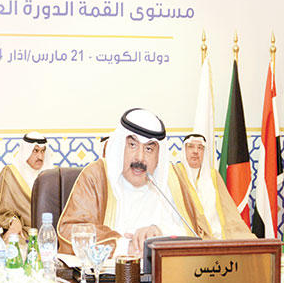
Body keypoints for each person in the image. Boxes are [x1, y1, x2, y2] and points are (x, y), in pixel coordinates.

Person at [58, 108, 215, 258]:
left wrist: (160, 235)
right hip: (108, 275)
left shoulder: (172, 180)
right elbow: (69, 231)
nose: (140, 158)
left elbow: (196, 235)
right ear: (120, 147)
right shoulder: (96, 176)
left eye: (149, 149)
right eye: (132, 145)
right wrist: (125, 246)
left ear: (159, 155)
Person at [173, 134, 252, 239]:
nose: (195, 151)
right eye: (191, 147)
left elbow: (228, 209)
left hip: (217, 232)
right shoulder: (175, 174)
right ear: (184, 150)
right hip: (187, 232)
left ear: (204, 152)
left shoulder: (213, 176)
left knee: (246, 239)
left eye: (200, 148)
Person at [0, 132, 53, 241]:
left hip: (48, 233)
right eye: (35, 151)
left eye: (43, 151)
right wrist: (13, 221)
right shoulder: (10, 174)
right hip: (21, 233)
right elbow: (1, 212)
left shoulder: (52, 175)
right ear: (26, 151)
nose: (40, 156)